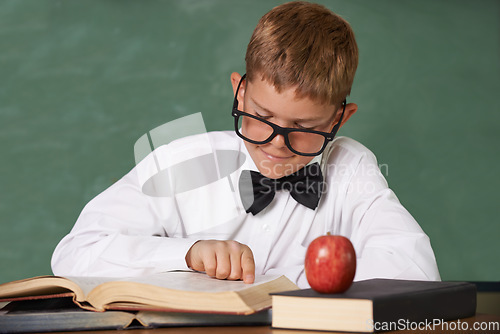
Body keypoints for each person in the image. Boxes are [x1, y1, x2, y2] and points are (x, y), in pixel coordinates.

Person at [51, 1, 440, 288]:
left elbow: (417, 271)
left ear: (339, 119)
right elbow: (74, 254)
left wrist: (291, 281)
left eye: (303, 127)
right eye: (263, 117)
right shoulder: (181, 161)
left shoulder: (352, 167)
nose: (277, 143)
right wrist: (186, 254)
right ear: (239, 94)